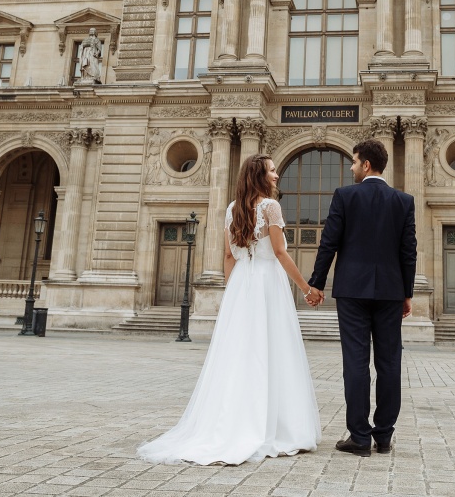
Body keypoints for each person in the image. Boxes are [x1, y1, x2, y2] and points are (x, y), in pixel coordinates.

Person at [136, 154, 322, 465]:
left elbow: (228, 255)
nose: (276, 175)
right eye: (272, 171)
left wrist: (233, 291)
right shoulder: (270, 207)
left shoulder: (232, 209)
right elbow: (279, 252)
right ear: (259, 176)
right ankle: (275, 426)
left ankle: (231, 421)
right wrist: (306, 288)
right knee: (272, 349)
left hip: (241, 284)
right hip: (267, 283)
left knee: (239, 353)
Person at [308, 139, 417, 457]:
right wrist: (406, 293)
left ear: (366, 165)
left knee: (355, 362)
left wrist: (317, 284)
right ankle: (383, 436)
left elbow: (329, 242)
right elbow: (408, 251)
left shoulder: (345, 196)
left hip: (352, 291)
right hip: (390, 292)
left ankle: (359, 437)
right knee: (389, 362)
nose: (351, 168)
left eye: (354, 162)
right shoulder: (404, 201)